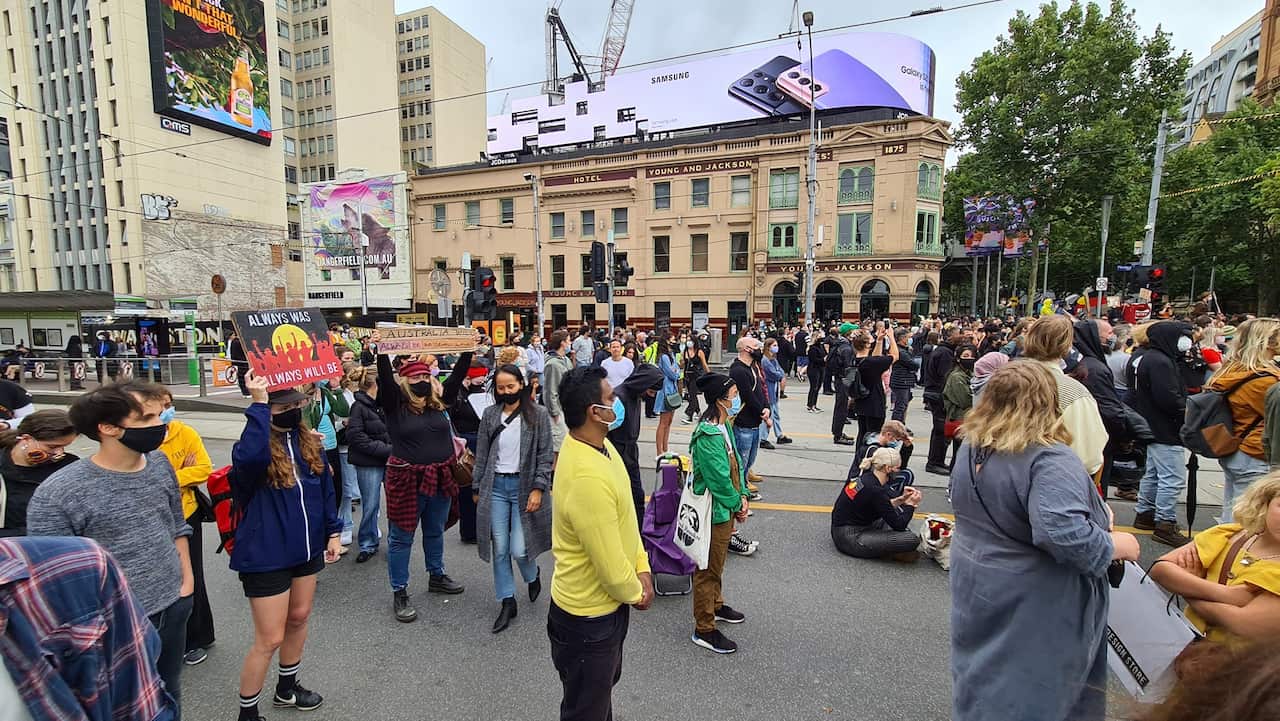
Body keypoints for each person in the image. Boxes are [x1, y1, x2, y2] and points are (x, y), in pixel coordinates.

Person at [949, 362, 1140, 721]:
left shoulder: (973, 446)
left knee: (981, 680)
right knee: (1037, 693)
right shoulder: (1049, 457)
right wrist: (1118, 544)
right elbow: (1063, 534)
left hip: (979, 580)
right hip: (1037, 596)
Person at [26, 381, 195, 718]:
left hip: (173, 606)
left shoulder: (159, 464)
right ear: (107, 428)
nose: (160, 425)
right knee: (121, 706)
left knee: (168, 692)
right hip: (112, 626)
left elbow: (177, 524)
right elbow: (50, 583)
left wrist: (186, 585)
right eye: (146, 418)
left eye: (159, 415)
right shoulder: (59, 494)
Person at [229, 374, 342, 720]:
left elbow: (325, 491)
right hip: (265, 555)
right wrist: (259, 405)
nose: (293, 410)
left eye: (297, 404)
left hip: (306, 549)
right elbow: (247, 460)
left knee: (299, 618)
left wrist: (333, 532)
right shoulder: (254, 450)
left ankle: (287, 688)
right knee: (269, 639)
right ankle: (247, 713)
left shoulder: (309, 442)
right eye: (284, 406)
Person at [548, 366, 653, 720]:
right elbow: (608, 564)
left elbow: (626, 521)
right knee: (585, 709)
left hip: (602, 611)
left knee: (597, 698)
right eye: (611, 398)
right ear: (595, 412)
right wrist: (637, 591)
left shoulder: (600, 444)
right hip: (587, 619)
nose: (617, 403)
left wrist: (642, 565)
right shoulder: (586, 475)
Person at [0, 535, 177, 721]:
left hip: (136, 604)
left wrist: (186, 580)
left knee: (168, 681)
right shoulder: (51, 509)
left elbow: (145, 706)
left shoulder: (81, 564)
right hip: (121, 606)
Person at [373, 338, 469, 622]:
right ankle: (399, 591)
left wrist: (467, 349)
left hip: (439, 475)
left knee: (435, 530)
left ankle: (436, 575)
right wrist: (381, 353)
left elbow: (458, 377)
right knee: (401, 538)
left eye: (426, 375)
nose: (422, 380)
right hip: (406, 479)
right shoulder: (395, 406)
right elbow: (385, 382)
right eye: (416, 376)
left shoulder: (439, 404)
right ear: (404, 380)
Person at [1149, 470, 1280, 647]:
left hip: (1244, 668)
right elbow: (1160, 569)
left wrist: (1189, 587)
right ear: (1265, 503)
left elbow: (1241, 623)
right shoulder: (1230, 534)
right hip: (1188, 650)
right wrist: (1227, 595)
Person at [471, 364, 554, 633]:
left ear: (522, 384)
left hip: (524, 485)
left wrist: (539, 488)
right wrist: (476, 487)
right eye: (500, 387)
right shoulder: (490, 415)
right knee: (501, 547)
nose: (506, 391)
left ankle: (532, 575)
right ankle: (507, 600)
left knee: (520, 548)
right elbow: (481, 452)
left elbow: (545, 455)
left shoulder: (538, 415)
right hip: (495, 486)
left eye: (511, 386)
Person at [138, 387, 216, 668]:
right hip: (151, 520)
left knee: (191, 576)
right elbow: (139, 478)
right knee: (159, 579)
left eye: (169, 405)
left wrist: (167, 476)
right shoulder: (140, 436)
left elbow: (204, 468)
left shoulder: (185, 432)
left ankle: (195, 638)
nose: (166, 411)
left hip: (186, 514)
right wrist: (180, 473)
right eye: (159, 408)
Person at [687, 373, 750, 654]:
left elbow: (737, 466)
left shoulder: (723, 426)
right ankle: (704, 628)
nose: (737, 398)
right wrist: (738, 504)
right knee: (707, 569)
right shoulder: (708, 434)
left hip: (725, 509)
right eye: (734, 393)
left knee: (717, 563)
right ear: (721, 399)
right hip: (714, 512)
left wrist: (744, 495)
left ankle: (716, 604)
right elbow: (720, 480)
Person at [1203, 318, 1280, 522]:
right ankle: (1234, 552)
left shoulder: (1234, 369)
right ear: (1268, 342)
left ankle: (1224, 550)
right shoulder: (1265, 380)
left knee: (1233, 510)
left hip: (1235, 447)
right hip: (1254, 452)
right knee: (1247, 519)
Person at [1131, 320, 1195, 546]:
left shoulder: (1152, 358)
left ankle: (1145, 513)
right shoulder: (1161, 362)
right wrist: (1187, 412)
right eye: (1184, 336)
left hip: (1154, 425)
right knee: (1172, 478)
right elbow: (1168, 398)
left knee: (1155, 473)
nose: (1188, 341)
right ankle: (1165, 523)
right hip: (1167, 428)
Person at [1022, 315, 1108, 478]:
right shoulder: (1073, 392)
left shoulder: (1001, 381)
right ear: (1068, 344)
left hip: (999, 486)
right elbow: (1088, 456)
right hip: (1051, 482)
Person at [831, 447, 922, 561]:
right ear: (888, 468)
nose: (899, 471)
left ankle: (889, 546)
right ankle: (890, 551)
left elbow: (881, 506)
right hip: (851, 537)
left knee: (894, 519)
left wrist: (901, 499)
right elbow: (899, 525)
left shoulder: (866, 478)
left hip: (842, 529)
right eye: (897, 468)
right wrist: (910, 505)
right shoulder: (876, 490)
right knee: (911, 539)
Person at [0, 409, 78, 537]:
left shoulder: (68, 465)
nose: (59, 453)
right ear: (26, 439)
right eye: (52, 447)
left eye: (64, 446)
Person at [345, 365, 391, 563]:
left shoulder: (384, 405)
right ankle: (367, 542)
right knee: (371, 504)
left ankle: (394, 542)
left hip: (388, 460)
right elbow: (356, 437)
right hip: (370, 462)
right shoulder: (359, 407)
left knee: (395, 505)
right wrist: (387, 449)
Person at [302, 381, 349, 558]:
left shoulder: (325, 392)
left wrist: (336, 389)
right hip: (316, 449)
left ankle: (330, 537)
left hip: (331, 446)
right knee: (320, 494)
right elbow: (307, 424)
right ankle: (321, 542)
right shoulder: (304, 398)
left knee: (336, 491)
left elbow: (343, 411)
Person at [852, 328, 899, 446]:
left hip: (861, 402)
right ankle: (868, 458)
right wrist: (891, 337)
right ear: (867, 344)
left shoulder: (855, 360)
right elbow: (895, 356)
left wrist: (879, 341)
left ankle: (859, 460)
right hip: (874, 404)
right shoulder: (871, 363)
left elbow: (875, 358)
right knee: (873, 437)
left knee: (862, 433)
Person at [923, 329, 959, 473]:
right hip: (938, 395)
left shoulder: (943, 351)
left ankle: (937, 460)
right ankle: (934, 462)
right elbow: (945, 376)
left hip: (935, 393)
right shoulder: (945, 353)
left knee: (940, 430)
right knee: (940, 430)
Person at [941, 344, 977, 470]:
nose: (970, 359)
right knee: (959, 455)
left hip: (966, 419)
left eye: (972, 356)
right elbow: (965, 400)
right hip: (960, 419)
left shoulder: (969, 374)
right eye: (966, 356)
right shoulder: (957, 377)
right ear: (958, 358)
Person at [543, 330, 574, 456]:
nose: (570, 343)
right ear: (562, 343)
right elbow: (550, 390)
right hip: (558, 410)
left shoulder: (565, 360)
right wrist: (554, 412)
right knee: (558, 447)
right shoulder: (553, 364)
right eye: (568, 341)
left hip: (567, 407)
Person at [827, 323, 858, 446]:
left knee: (840, 406)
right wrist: (851, 383)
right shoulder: (846, 348)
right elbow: (849, 366)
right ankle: (838, 435)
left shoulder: (841, 344)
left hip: (840, 379)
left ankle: (838, 432)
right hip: (843, 379)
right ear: (849, 333)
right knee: (841, 407)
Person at [760, 337, 791, 446]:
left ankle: (779, 435)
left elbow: (781, 371)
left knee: (775, 414)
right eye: (774, 345)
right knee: (769, 415)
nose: (776, 348)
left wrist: (780, 374)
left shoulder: (773, 359)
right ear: (768, 347)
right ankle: (763, 438)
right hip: (769, 392)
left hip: (774, 391)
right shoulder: (765, 361)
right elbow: (775, 375)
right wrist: (779, 374)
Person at [653, 332, 680, 457]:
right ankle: (659, 451)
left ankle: (665, 448)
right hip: (665, 391)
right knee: (663, 423)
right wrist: (676, 371)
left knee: (669, 422)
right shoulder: (664, 357)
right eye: (673, 339)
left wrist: (676, 370)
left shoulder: (671, 354)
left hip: (672, 390)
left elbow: (677, 370)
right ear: (668, 341)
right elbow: (673, 373)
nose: (675, 341)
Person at [888, 328, 919, 423]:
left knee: (903, 405)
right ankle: (895, 427)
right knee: (900, 406)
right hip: (901, 381)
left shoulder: (904, 350)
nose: (910, 340)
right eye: (908, 337)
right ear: (902, 338)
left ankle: (900, 425)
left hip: (904, 381)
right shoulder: (901, 352)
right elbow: (913, 364)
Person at [680, 335, 709, 425]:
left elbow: (704, 364)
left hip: (696, 376)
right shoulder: (685, 351)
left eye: (690, 340)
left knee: (692, 395)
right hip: (688, 376)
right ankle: (699, 413)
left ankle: (689, 416)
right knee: (691, 396)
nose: (688, 342)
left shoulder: (699, 352)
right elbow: (682, 365)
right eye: (687, 340)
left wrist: (709, 374)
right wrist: (681, 361)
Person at [806, 329, 827, 413]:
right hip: (814, 369)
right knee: (813, 387)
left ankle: (814, 404)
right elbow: (814, 359)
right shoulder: (812, 348)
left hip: (821, 368)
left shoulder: (821, 346)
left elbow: (824, 353)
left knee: (818, 387)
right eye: (820, 336)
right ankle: (810, 405)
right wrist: (823, 359)